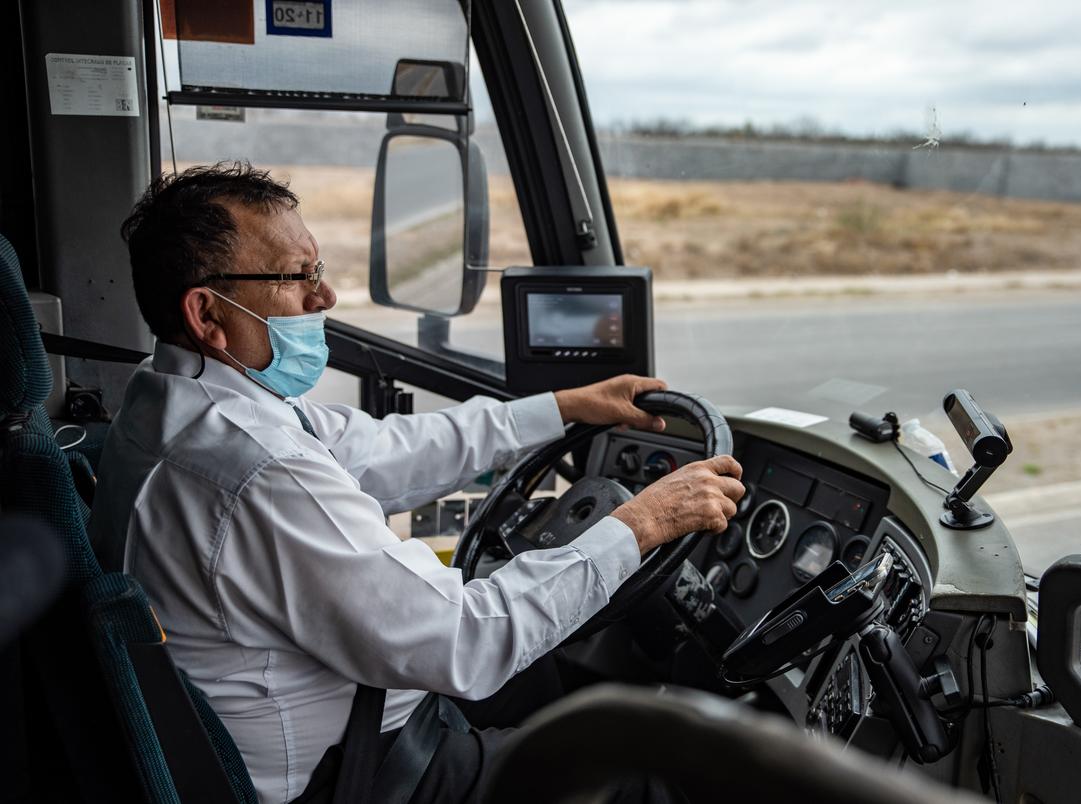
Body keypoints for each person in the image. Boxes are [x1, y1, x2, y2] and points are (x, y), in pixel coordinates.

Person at [88, 162, 744, 804]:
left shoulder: (177, 405)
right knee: (644, 771)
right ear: (207, 314)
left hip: (348, 717)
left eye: (317, 270)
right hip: (359, 773)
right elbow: (466, 641)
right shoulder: (252, 467)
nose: (325, 297)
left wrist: (564, 406)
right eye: (297, 277)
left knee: (547, 673)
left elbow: (383, 451)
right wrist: (643, 524)